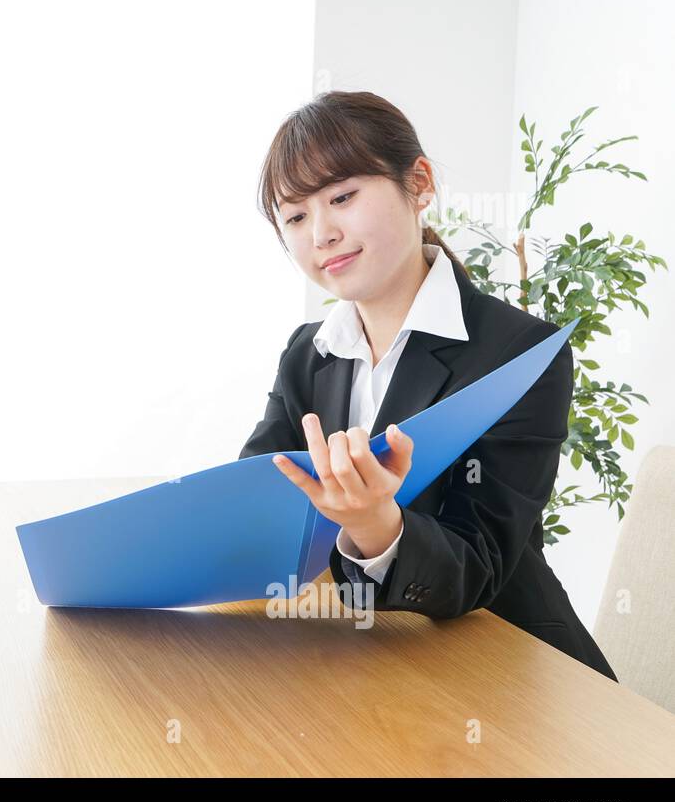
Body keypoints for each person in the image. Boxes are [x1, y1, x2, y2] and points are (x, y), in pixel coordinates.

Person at [240, 90, 616, 681]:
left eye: (342, 197)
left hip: (508, 668)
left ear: (419, 183)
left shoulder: (520, 352)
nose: (321, 233)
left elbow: (480, 566)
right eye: (294, 216)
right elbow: (256, 499)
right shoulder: (308, 353)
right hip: (369, 660)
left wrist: (374, 524)